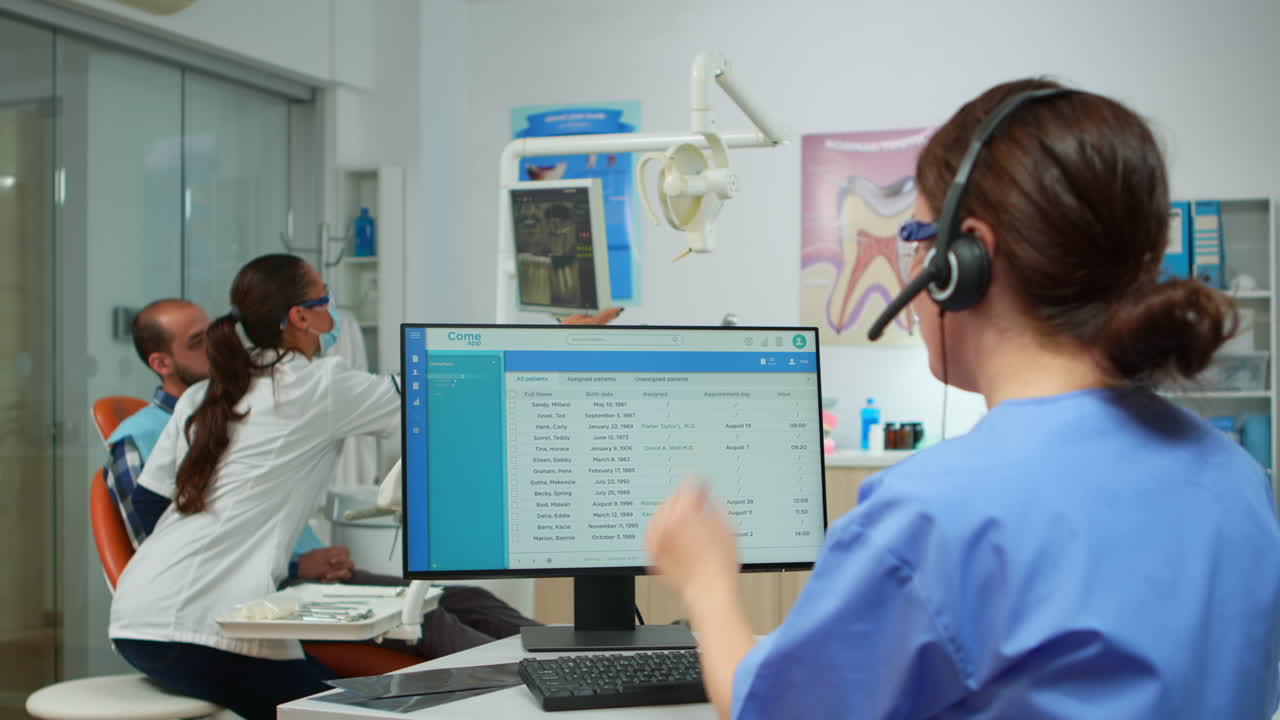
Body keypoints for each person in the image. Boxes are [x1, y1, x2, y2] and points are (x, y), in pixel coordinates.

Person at [645, 78, 1280, 719]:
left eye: (918, 237)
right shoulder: (1238, 481)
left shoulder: (934, 517)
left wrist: (705, 581)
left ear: (965, 257)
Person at [107, 255, 533, 719]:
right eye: (325, 299)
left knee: (381, 680)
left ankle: (550, 663)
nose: (334, 314)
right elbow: (439, 391)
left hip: (141, 615)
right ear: (301, 317)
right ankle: (544, 679)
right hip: (198, 630)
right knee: (348, 713)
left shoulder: (205, 393)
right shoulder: (314, 386)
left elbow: (152, 502)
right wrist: (542, 347)